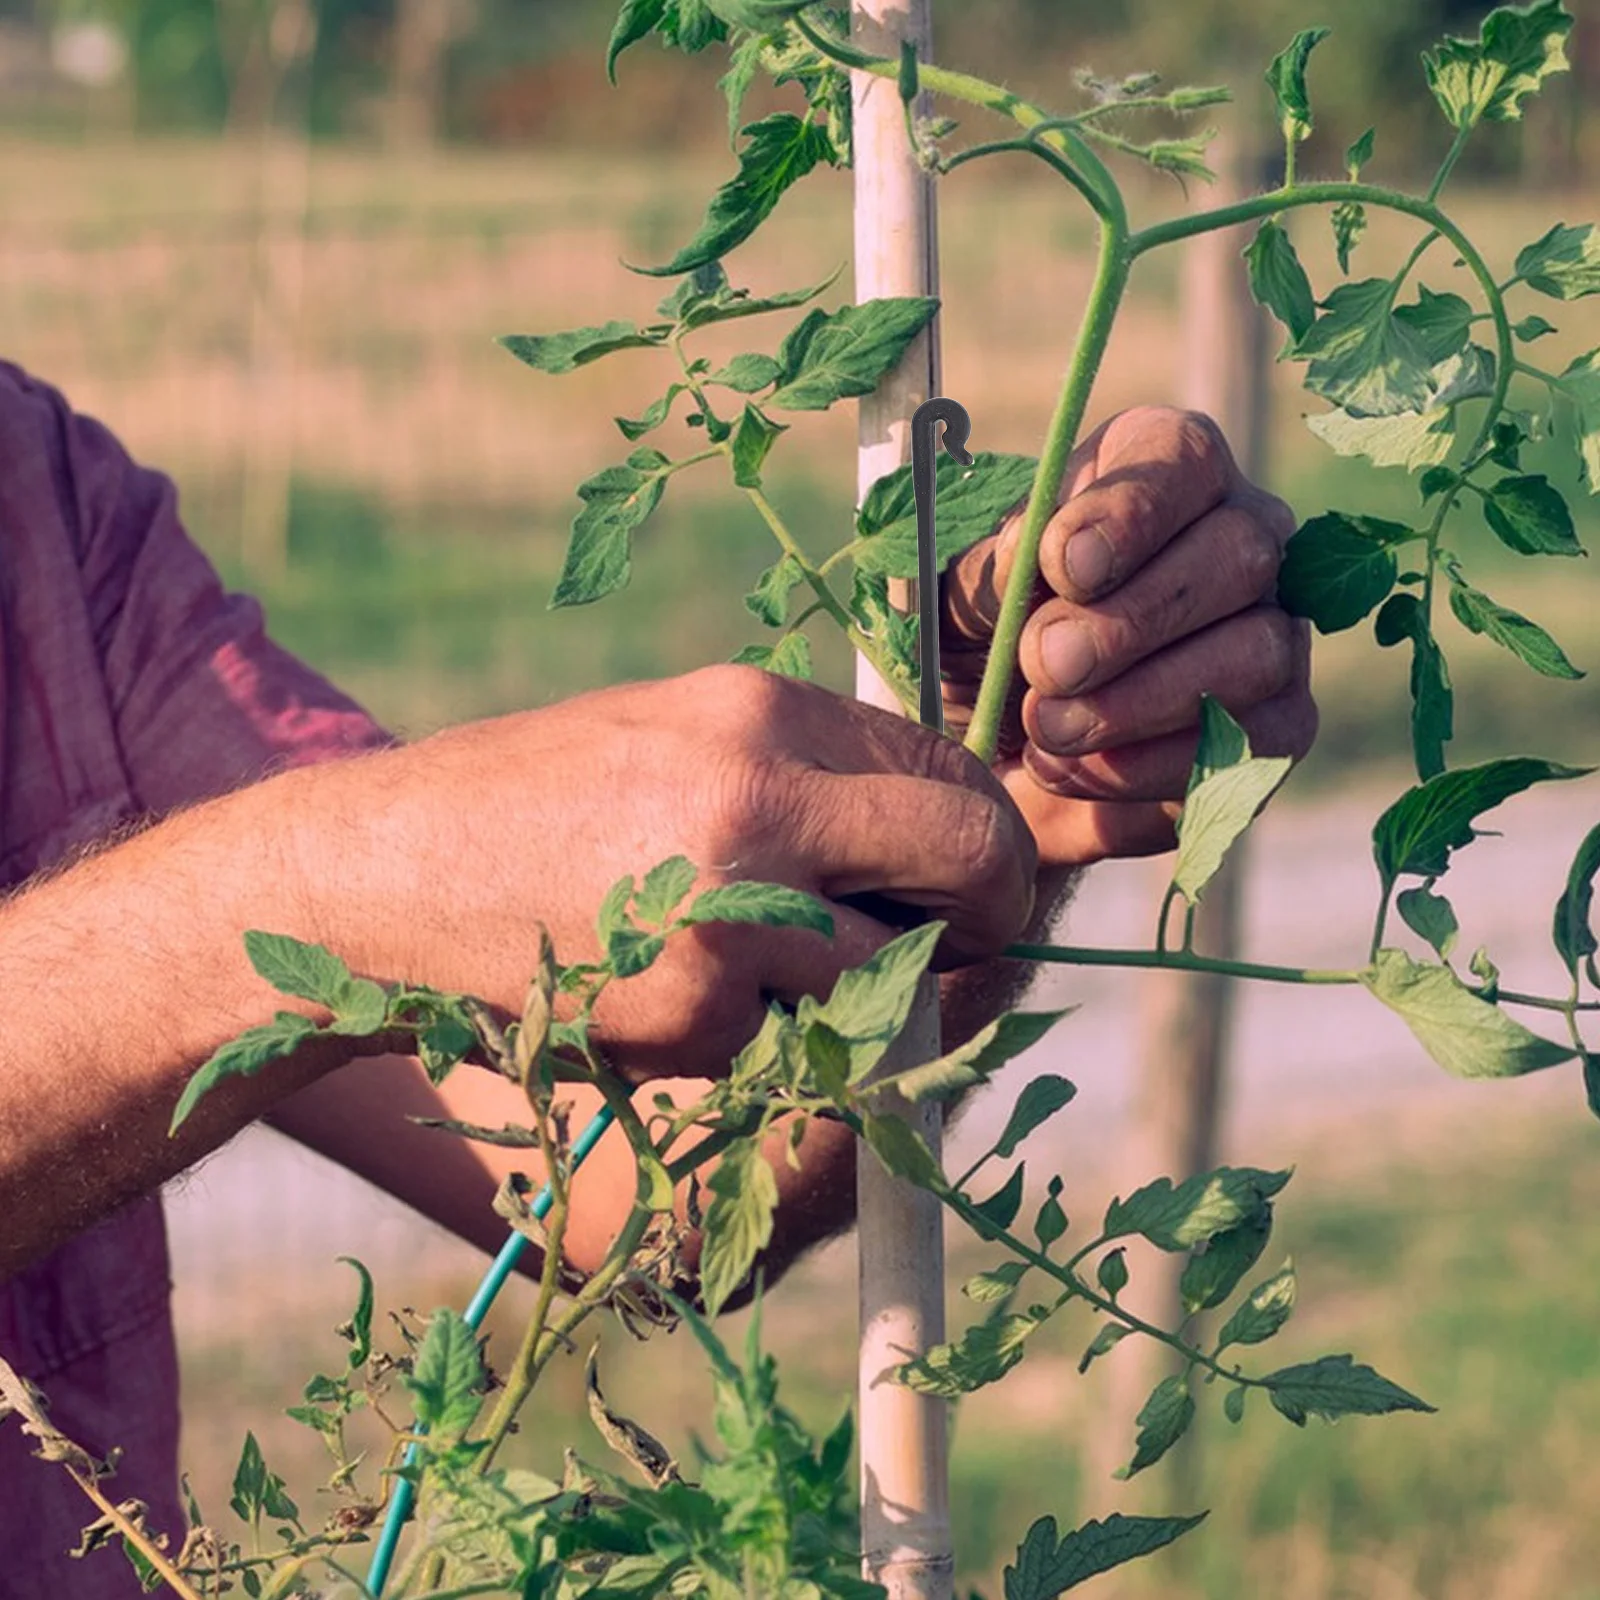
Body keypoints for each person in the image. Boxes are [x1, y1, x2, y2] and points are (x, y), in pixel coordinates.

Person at [0, 360, 1313, 1592]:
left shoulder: (39, 501)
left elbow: (628, 1179)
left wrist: (971, 826)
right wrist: (348, 883)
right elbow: (346, 906)